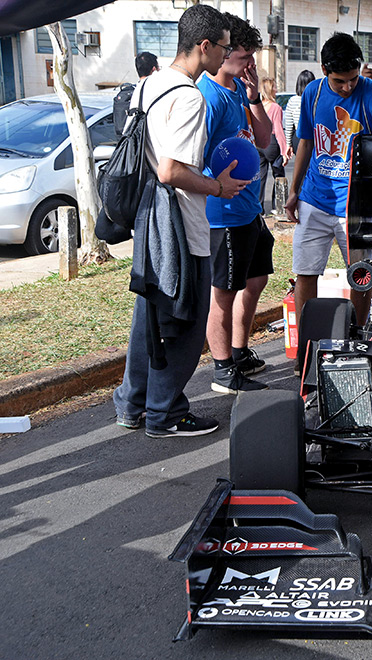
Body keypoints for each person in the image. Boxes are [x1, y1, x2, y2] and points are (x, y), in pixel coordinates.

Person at [113, 5, 250, 437]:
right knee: (184, 320)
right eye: (224, 49)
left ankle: (132, 405)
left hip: (146, 217)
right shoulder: (189, 96)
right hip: (178, 224)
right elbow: (171, 169)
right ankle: (165, 413)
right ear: (204, 46)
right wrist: (219, 188)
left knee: (149, 318)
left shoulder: (148, 85)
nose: (226, 57)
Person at [285, 33, 372, 338]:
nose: (348, 86)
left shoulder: (371, 92)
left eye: (353, 78)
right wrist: (293, 190)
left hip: (356, 206)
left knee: (361, 277)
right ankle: (308, 343)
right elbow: (305, 142)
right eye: (340, 81)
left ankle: (356, 335)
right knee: (305, 273)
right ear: (324, 69)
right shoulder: (312, 93)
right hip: (314, 199)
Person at [198, 13, 274, 395]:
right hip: (223, 213)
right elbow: (192, 158)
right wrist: (215, 186)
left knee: (256, 279)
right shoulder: (208, 97)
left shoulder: (235, 91)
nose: (249, 65)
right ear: (223, 52)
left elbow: (264, 139)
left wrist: (255, 95)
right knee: (223, 293)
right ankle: (223, 370)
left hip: (250, 209)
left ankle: (239, 350)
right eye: (244, 57)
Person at [258, 77, 291, 211]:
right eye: (274, 87)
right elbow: (278, 129)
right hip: (271, 143)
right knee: (279, 175)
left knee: (260, 177)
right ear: (270, 90)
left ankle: (259, 209)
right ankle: (278, 207)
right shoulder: (275, 107)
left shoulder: (258, 106)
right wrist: (284, 151)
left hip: (258, 143)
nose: (276, 90)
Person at [113, 51, 160, 138]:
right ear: (154, 69)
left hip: (133, 145)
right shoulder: (156, 93)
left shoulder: (135, 91)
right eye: (158, 68)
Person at [283, 69, 315, 153]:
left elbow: (289, 125)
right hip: (315, 137)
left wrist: (288, 144)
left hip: (298, 137)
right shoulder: (317, 100)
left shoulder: (292, 101)